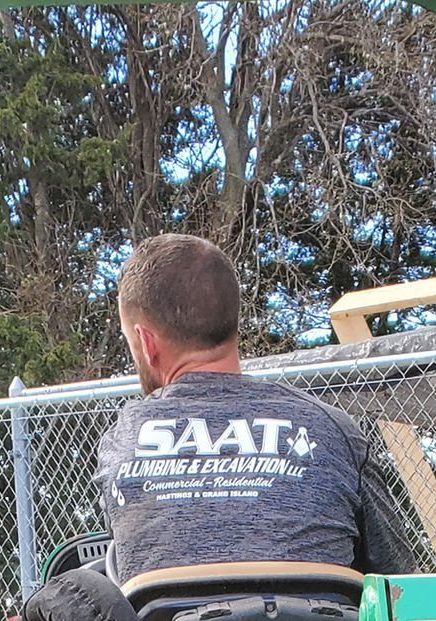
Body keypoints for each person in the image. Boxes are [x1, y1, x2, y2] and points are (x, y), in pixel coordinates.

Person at [96, 234, 414, 584]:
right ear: (232, 321)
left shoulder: (123, 441)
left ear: (146, 342)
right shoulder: (332, 429)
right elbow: (399, 581)